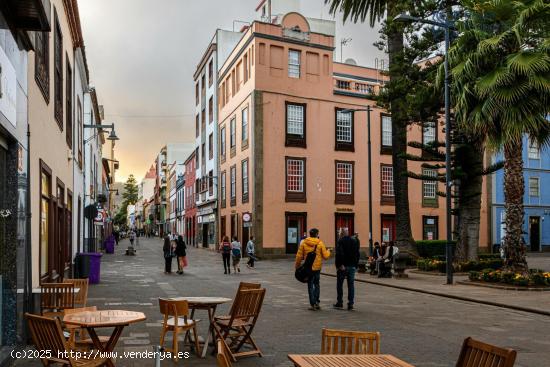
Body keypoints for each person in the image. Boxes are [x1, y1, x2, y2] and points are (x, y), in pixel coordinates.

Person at [294, 228, 331, 311]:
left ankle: (312, 304)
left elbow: (299, 256)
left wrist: (297, 266)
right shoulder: (320, 243)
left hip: (308, 268)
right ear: (317, 234)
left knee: (310, 285)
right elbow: (326, 256)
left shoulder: (304, 243)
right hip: (317, 268)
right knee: (317, 284)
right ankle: (317, 302)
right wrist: (328, 251)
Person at [334, 228, 360, 310]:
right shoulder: (353, 241)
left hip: (343, 266)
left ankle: (340, 302)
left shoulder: (340, 241)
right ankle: (350, 303)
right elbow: (357, 253)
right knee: (351, 285)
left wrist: (340, 264)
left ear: (341, 233)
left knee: (339, 285)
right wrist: (355, 264)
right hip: (352, 266)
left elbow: (339, 254)